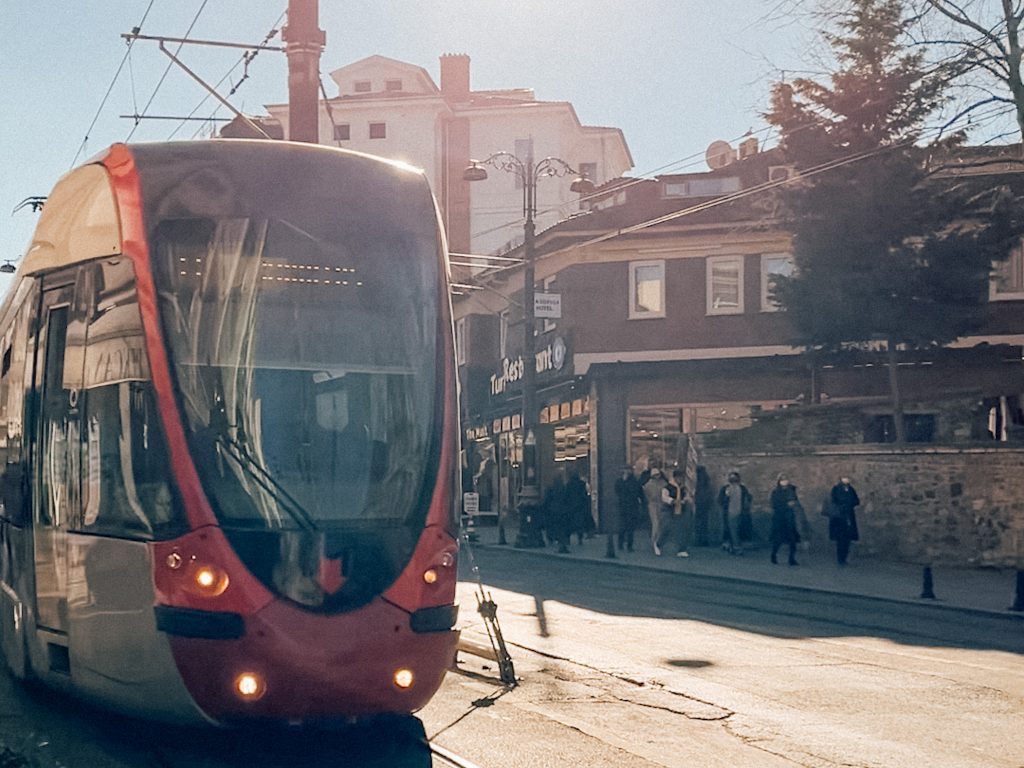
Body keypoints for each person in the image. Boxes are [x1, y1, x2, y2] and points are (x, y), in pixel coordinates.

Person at [657, 468, 694, 557]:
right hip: (669, 510)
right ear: (674, 478)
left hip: (681, 510)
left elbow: (687, 496)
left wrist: (685, 500)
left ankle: (682, 549)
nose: (680, 480)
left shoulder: (683, 488)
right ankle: (659, 544)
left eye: (681, 478)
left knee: (682, 530)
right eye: (678, 478)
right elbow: (664, 497)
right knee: (667, 528)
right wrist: (673, 501)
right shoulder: (667, 487)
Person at [769, 473, 802, 566]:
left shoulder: (791, 490)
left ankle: (792, 559)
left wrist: (793, 504)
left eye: (786, 480)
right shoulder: (776, 492)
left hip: (790, 517)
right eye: (782, 480)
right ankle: (774, 554)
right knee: (778, 539)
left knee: (792, 540)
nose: (785, 482)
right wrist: (786, 505)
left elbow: (795, 501)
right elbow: (774, 504)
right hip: (780, 518)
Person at [717, 469, 752, 555]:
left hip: (738, 512)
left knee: (735, 530)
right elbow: (720, 500)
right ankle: (733, 546)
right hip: (730, 512)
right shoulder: (726, 489)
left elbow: (748, 498)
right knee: (732, 530)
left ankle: (734, 546)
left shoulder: (742, 489)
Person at [829, 475, 861, 565]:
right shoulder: (836, 489)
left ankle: (844, 558)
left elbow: (856, 500)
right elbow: (834, 500)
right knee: (840, 539)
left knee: (847, 539)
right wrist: (844, 504)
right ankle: (840, 558)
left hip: (849, 516)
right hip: (839, 517)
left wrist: (850, 503)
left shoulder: (851, 489)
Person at [614, 464, 644, 552]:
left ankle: (629, 545)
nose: (627, 472)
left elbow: (638, 492)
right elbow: (618, 491)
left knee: (630, 527)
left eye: (629, 470)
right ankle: (621, 543)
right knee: (623, 526)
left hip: (632, 507)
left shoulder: (634, 481)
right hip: (624, 506)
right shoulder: (620, 481)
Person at [642, 464, 667, 555]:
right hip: (653, 505)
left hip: (661, 505)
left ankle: (658, 541)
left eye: (658, 474)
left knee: (661, 524)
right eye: (656, 475)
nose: (657, 476)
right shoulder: (649, 484)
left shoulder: (663, 483)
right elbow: (647, 495)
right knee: (656, 523)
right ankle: (655, 541)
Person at [543, 474, 570, 553]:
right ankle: (562, 540)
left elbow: (547, 500)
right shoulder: (564, 489)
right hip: (562, 510)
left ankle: (552, 539)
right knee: (561, 526)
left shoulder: (551, 489)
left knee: (552, 525)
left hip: (552, 510)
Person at [565, 468, 591, 546]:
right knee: (580, 524)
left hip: (571, 507)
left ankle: (568, 539)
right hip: (580, 507)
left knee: (570, 524)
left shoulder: (569, 484)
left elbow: (566, 495)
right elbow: (585, 495)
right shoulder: (582, 484)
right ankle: (580, 539)